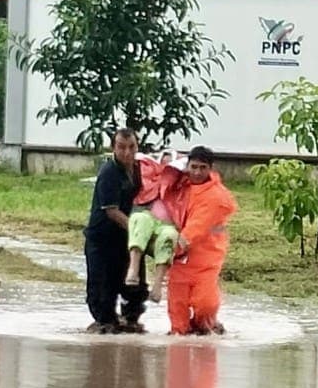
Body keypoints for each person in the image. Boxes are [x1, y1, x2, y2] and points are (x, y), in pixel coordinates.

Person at [83, 128, 149, 334]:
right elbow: (111, 211)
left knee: (135, 283)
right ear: (113, 148)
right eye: (121, 147)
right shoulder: (109, 172)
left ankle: (131, 319)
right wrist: (139, 231)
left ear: (138, 147)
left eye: (132, 147)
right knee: (102, 288)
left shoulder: (140, 169)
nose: (127, 153)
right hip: (102, 238)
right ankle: (104, 322)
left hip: (126, 238)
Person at [167, 146, 237, 335]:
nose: (197, 172)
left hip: (206, 259)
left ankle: (204, 325)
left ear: (211, 169)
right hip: (179, 262)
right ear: (187, 166)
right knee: (177, 313)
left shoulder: (217, 197)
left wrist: (174, 245)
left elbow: (197, 226)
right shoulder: (179, 185)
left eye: (202, 168)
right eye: (194, 167)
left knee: (205, 304)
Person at [125, 150, 188, 303]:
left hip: (167, 226)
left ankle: (158, 285)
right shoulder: (148, 181)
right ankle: (133, 269)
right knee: (140, 219)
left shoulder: (183, 188)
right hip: (149, 219)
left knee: (169, 236)